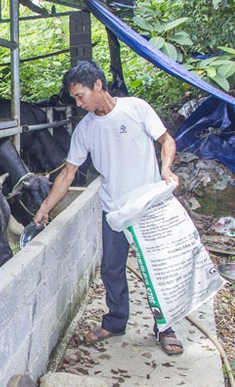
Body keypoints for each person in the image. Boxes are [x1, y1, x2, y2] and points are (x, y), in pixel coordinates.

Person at [33, 60, 182, 355]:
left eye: (80, 96)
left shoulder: (136, 108)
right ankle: (115, 321)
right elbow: (68, 174)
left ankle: (165, 328)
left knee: (156, 268)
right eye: (74, 98)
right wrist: (45, 208)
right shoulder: (85, 130)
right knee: (112, 269)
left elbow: (167, 141)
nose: (78, 104)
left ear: (98, 85)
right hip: (114, 209)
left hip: (148, 206)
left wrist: (165, 169)